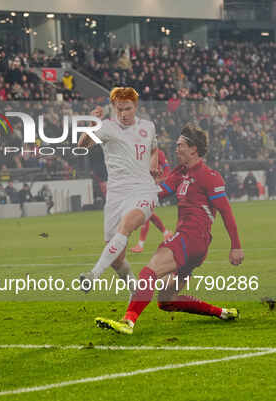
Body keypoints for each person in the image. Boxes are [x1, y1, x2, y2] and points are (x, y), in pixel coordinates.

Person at [95, 124, 243, 335]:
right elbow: (158, 193)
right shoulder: (180, 173)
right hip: (195, 246)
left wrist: (236, 247)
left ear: (193, 149)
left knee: (149, 272)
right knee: (167, 300)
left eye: (180, 145)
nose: (176, 149)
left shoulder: (209, 176)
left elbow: (226, 213)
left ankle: (128, 322)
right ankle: (222, 312)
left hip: (191, 238)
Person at [78, 87, 160, 295]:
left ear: (136, 107)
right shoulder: (106, 127)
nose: (124, 114)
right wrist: (91, 124)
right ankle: (135, 289)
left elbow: (154, 148)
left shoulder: (148, 126)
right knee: (117, 259)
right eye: (119, 109)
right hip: (116, 194)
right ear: (113, 108)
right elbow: (82, 146)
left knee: (126, 226)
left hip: (143, 190)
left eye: (128, 109)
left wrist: (153, 163)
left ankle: (93, 275)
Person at [131, 148, 174, 253]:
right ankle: (166, 233)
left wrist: (159, 180)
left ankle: (140, 245)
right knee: (148, 213)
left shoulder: (159, 153)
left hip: (153, 187)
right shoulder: (140, 152)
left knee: (146, 212)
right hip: (143, 186)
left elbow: (168, 171)